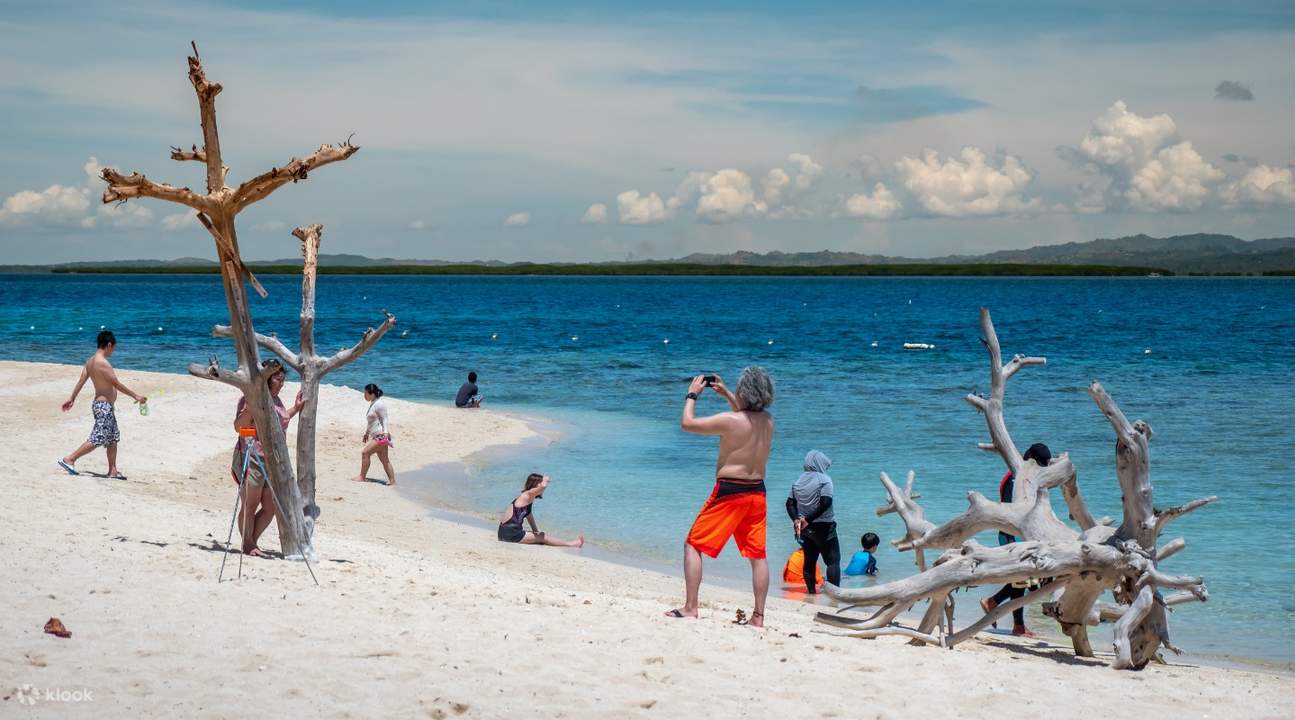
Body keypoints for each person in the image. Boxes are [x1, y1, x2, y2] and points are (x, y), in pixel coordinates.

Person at [666, 368, 775, 627]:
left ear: (744, 391)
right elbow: (746, 416)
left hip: (730, 491)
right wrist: (725, 392)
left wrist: (692, 395)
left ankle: (691, 607)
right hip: (757, 492)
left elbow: (687, 423)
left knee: (693, 544)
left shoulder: (731, 420)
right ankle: (758, 617)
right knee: (757, 556)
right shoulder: (768, 421)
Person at [231, 360, 304, 557]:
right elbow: (240, 428)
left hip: (272, 460)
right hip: (252, 456)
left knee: (270, 507)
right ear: (268, 379)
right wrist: (251, 413)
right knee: (250, 504)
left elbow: (278, 420)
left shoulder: (276, 400)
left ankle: (250, 542)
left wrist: (295, 409)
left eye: (283, 380)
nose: (281, 384)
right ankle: (248, 544)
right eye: (279, 379)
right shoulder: (251, 399)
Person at [979, 442, 1052, 636]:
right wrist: (1013, 537)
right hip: (1011, 533)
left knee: (1024, 578)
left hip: (1019, 533)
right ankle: (1017, 625)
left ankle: (993, 603)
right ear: (1033, 461)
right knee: (1022, 579)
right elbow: (1011, 509)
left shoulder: (1020, 475)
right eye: (1040, 465)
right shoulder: (1015, 478)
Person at [57, 330, 146, 479]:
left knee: (112, 438)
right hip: (103, 407)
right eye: (114, 348)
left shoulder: (90, 361)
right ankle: (70, 459)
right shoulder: (103, 363)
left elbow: (81, 381)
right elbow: (116, 384)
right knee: (98, 438)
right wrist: (136, 395)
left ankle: (113, 471)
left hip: (103, 407)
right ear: (109, 344)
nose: (113, 351)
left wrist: (72, 398)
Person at [785, 449, 840, 594]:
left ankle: (811, 594)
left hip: (804, 530)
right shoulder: (825, 480)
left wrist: (797, 520)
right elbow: (825, 503)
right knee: (832, 561)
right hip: (824, 527)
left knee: (809, 562)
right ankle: (835, 596)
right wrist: (807, 520)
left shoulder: (797, 482)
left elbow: (789, 504)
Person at [497, 473, 584, 547]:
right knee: (543, 537)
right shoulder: (527, 494)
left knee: (538, 535)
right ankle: (571, 544)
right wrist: (545, 480)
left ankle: (569, 543)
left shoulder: (527, 499)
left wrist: (535, 531)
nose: (542, 488)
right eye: (540, 483)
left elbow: (529, 516)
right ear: (536, 485)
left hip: (504, 533)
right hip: (510, 534)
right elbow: (543, 486)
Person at [353, 383, 396, 486]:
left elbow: (385, 419)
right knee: (384, 459)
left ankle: (362, 477)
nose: (364, 395)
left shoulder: (379, 404)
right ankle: (392, 481)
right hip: (377, 435)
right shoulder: (373, 404)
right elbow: (371, 422)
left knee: (365, 453)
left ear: (372, 394)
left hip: (381, 435)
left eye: (365, 393)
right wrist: (366, 433)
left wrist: (385, 433)